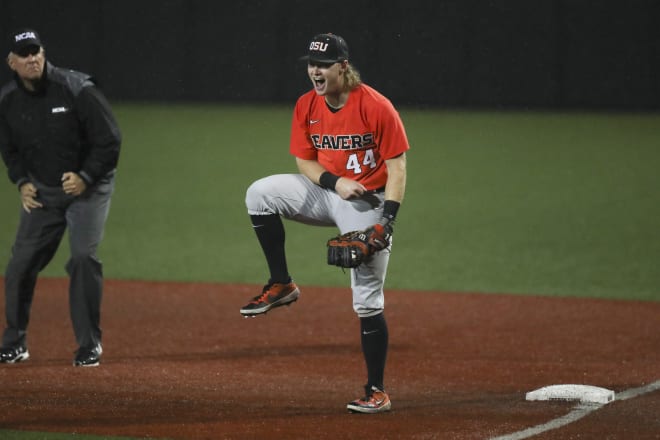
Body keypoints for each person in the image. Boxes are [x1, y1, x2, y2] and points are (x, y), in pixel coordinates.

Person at [240, 33, 409, 413]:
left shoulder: (376, 106)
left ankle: (376, 390)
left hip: (367, 200)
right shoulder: (306, 105)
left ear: (343, 67)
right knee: (259, 193)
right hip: (325, 191)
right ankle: (281, 283)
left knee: (366, 300)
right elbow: (305, 162)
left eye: (323, 64)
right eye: (311, 64)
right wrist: (335, 183)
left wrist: (387, 221)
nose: (315, 71)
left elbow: (398, 167)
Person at [0, 28, 121, 367]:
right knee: (19, 265)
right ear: (12, 62)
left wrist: (85, 177)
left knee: (83, 257)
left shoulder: (76, 88)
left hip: (88, 189)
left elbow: (110, 139)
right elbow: (9, 148)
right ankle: (14, 341)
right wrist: (21, 181)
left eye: (36, 51)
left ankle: (89, 344)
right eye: (24, 54)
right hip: (43, 192)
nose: (32, 58)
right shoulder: (8, 101)